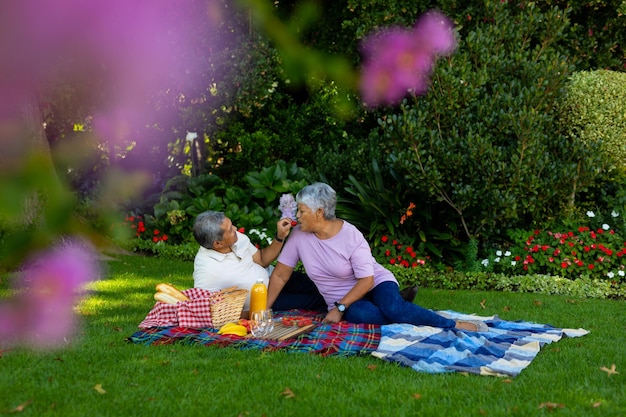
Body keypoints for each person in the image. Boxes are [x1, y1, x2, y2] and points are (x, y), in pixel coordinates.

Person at [266, 182, 487, 332]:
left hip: (374, 283)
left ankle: (452, 324)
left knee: (392, 309)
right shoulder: (298, 236)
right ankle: (409, 312)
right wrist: (263, 309)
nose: (297, 216)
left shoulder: (350, 235)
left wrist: (339, 309)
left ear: (319, 213)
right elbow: (280, 275)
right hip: (348, 300)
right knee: (365, 315)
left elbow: (367, 280)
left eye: (302, 211)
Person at [192, 211, 326, 313]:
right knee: (317, 301)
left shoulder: (237, 238)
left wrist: (280, 237)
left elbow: (262, 260)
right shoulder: (206, 271)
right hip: (265, 300)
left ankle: (344, 302)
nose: (235, 228)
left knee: (323, 286)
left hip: (275, 277)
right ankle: (340, 313)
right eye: (230, 230)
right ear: (217, 243)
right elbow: (204, 308)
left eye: (231, 224)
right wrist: (248, 315)